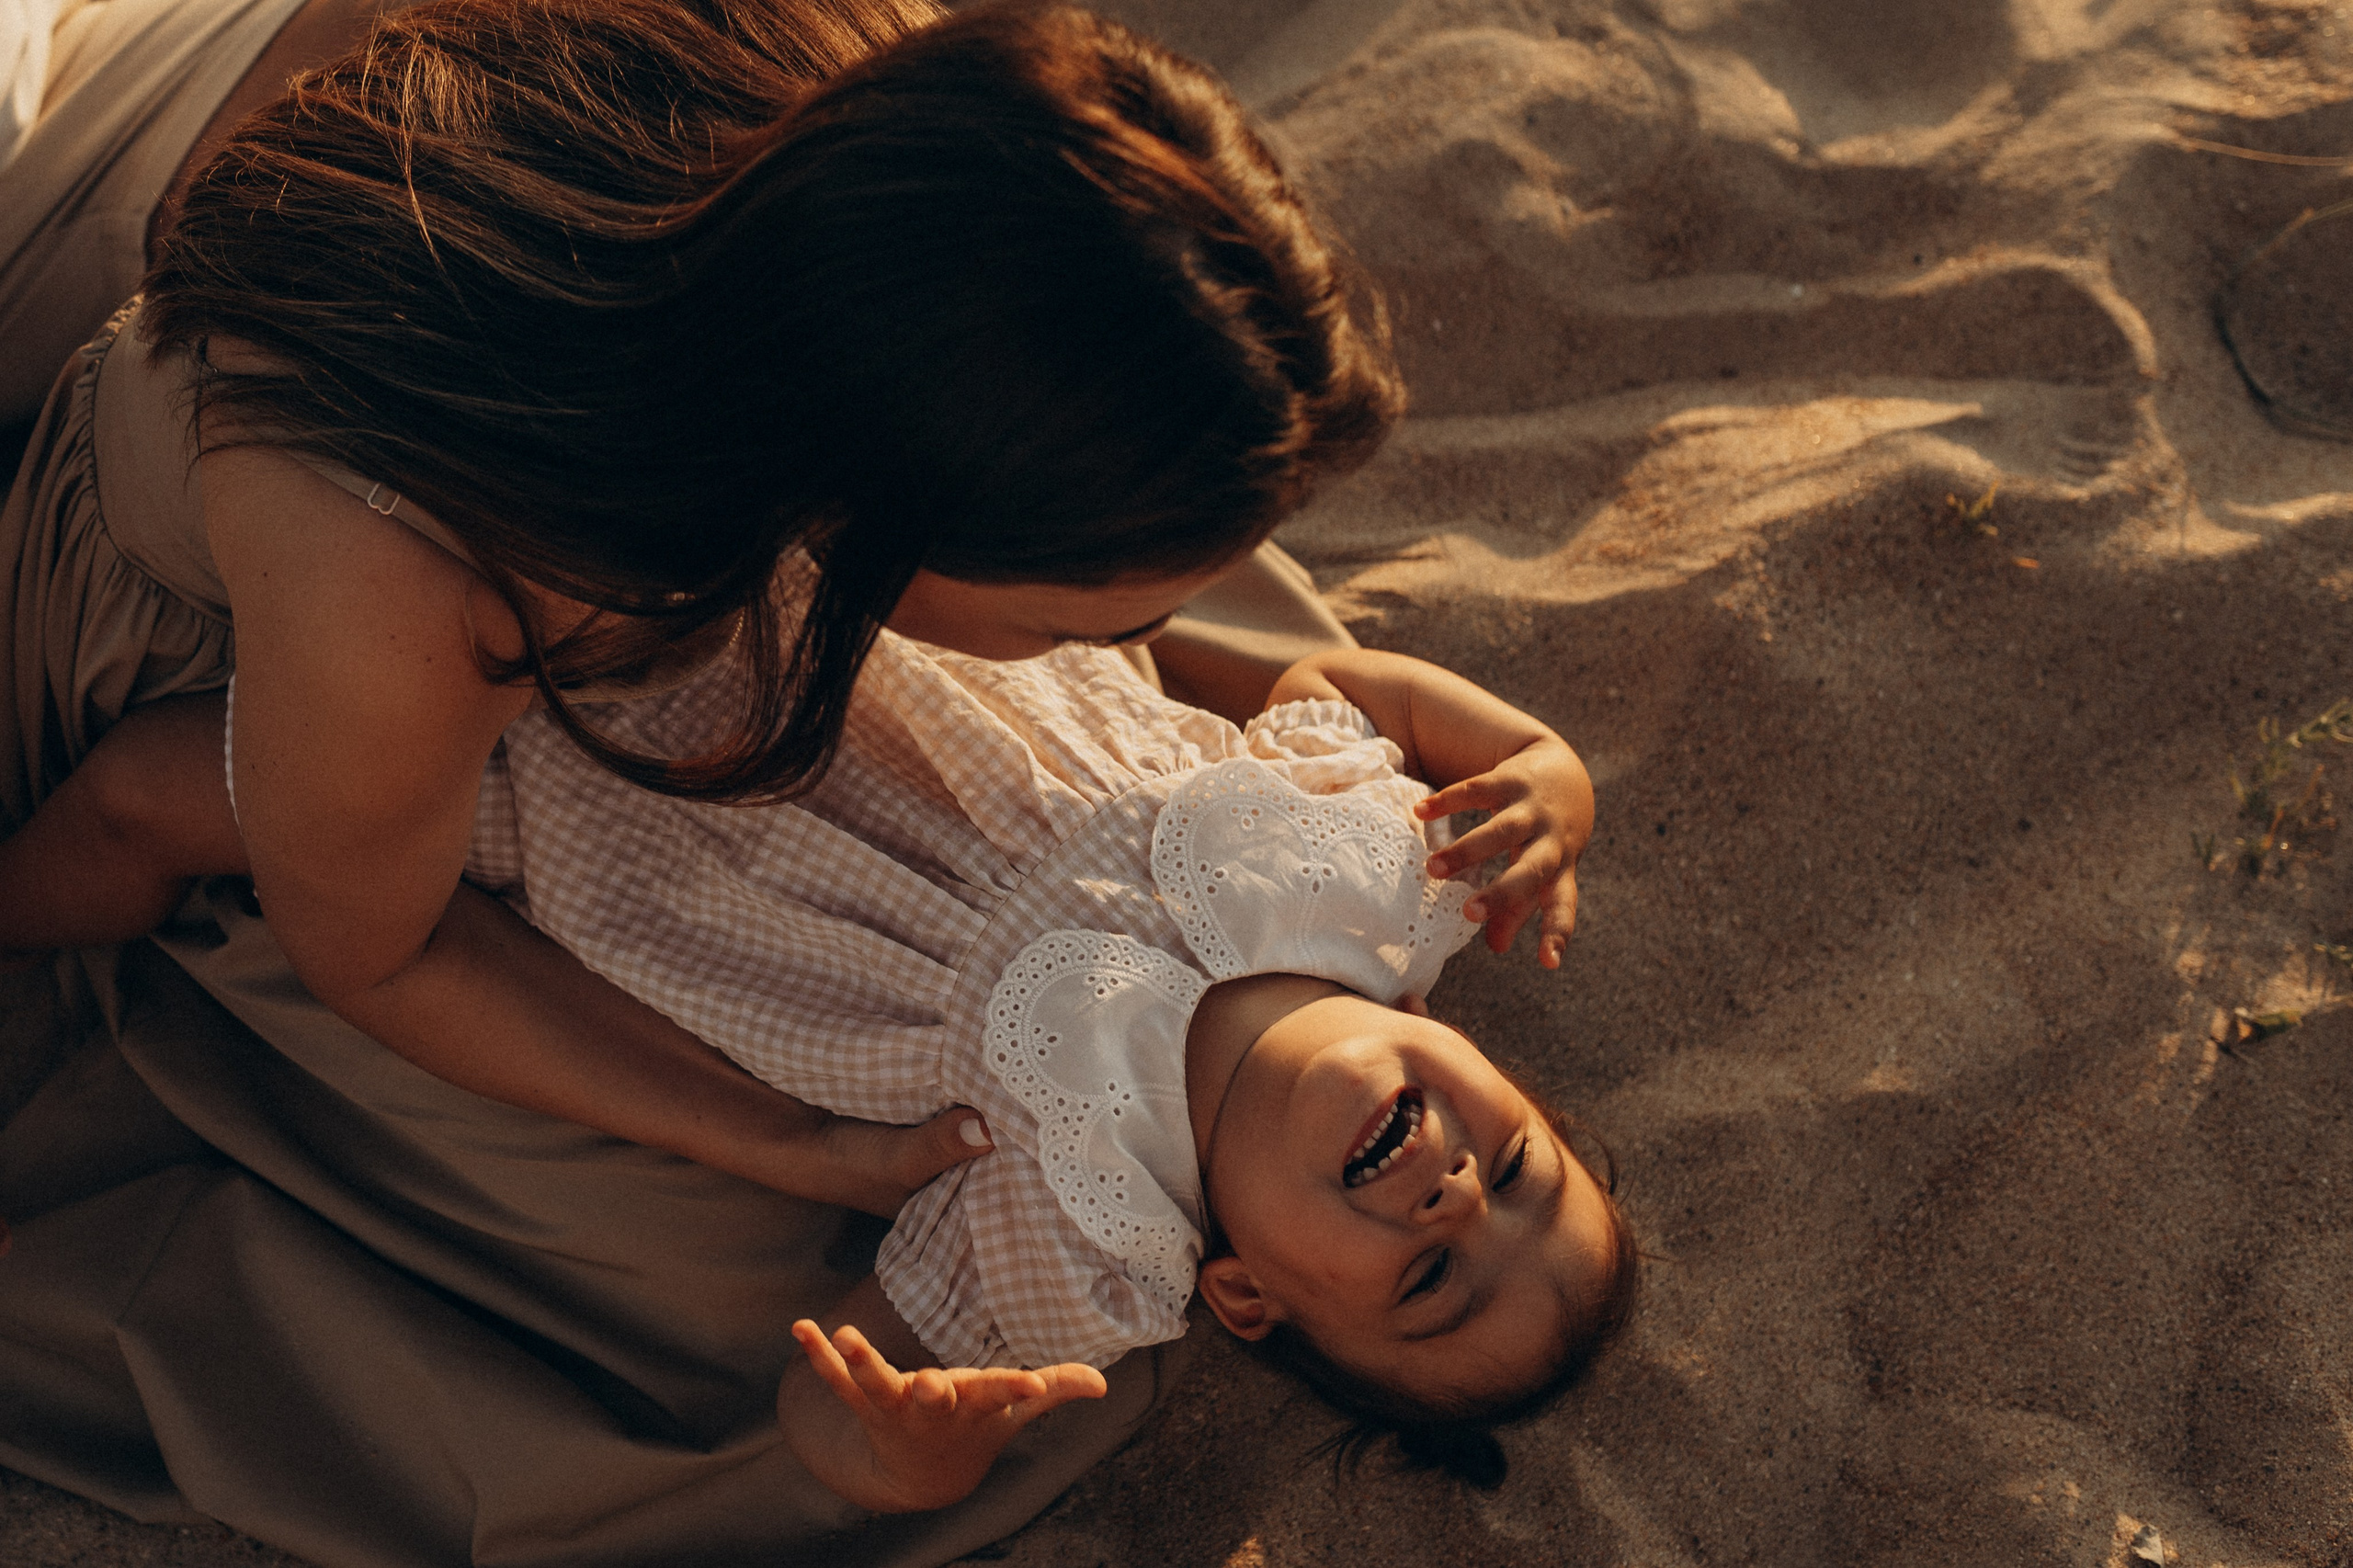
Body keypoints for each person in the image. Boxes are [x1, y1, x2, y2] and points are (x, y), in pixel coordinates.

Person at [0, 0, 1404, 1560]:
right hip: (215, 634)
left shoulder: (859, 96)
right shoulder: (431, 587)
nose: (1131, 641)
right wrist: (769, 1138)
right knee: (704, 1288)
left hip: (431, 357)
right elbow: (380, 949)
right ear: (883, 501)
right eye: (1101, 611)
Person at [2, 619, 1635, 1510]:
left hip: (599, 818)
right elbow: (1324, 679)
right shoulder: (1402, 873)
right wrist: (1541, 764)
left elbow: (836, 1386)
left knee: (163, 793)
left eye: (1426, 1277)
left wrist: (900, 1449)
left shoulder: (1089, 1247)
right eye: (1515, 1172)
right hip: (824, 596)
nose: (1447, 1193)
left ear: (1249, 1298)